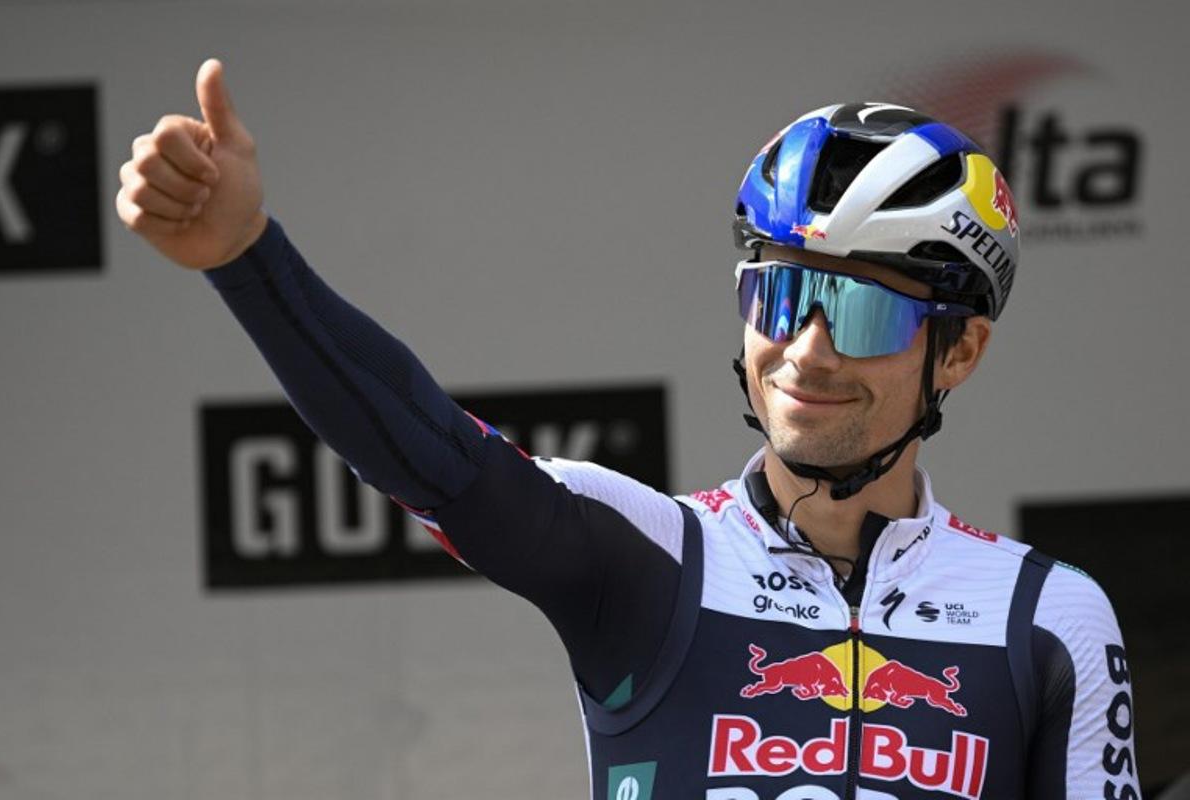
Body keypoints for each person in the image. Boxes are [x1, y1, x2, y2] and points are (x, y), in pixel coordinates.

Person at [117, 60, 1140, 800]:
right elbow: (421, 446)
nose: (807, 352)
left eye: (865, 312)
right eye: (780, 300)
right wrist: (245, 254)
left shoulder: (1050, 618)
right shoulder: (648, 554)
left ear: (958, 353)